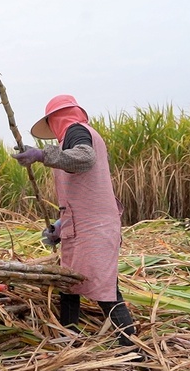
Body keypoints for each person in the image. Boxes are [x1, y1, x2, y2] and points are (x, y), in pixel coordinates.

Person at [11, 94, 137, 348]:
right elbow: (85, 190)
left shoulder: (76, 131)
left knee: (103, 287)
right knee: (68, 284)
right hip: (83, 226)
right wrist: (60, 226)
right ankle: (67, 339)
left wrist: (41, 155)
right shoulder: (76, 134)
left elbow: (84, 158)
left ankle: (132, 346)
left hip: (94, 228)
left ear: (57, 118)